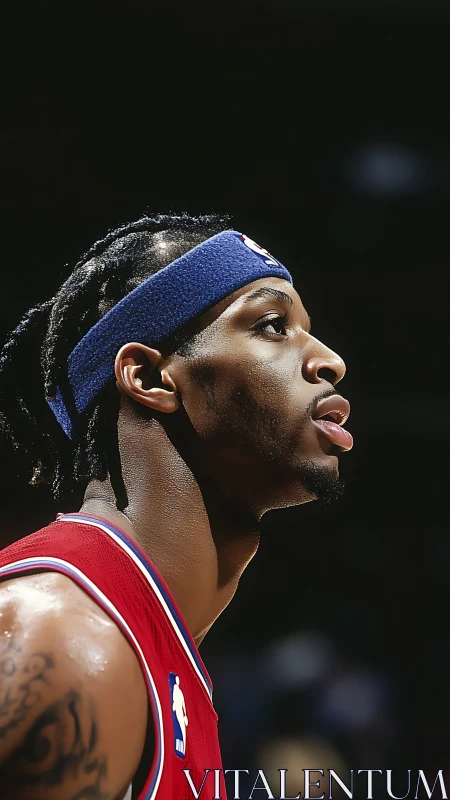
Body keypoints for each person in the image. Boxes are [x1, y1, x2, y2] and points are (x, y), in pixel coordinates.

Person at [0, 214, 352, 800]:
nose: (329, 361)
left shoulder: (145, 646)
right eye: (272, 325)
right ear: (150, 377)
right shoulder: (69, 641)